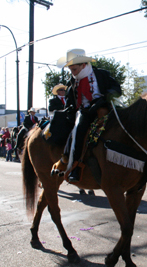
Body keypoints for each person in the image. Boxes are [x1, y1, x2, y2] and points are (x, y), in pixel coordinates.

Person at [54, 49, 122, 182]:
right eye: (70, 70)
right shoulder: (72, 83)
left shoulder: (101, 74)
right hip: (85, 112)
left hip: (105, 107)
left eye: (74, 69)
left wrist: (105, 98)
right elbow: (70, 105)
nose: (72, 73)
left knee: (127, 120)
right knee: (78, 132)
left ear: (83, 65)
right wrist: (72, 115)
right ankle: (75, 167)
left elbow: (117, 89)